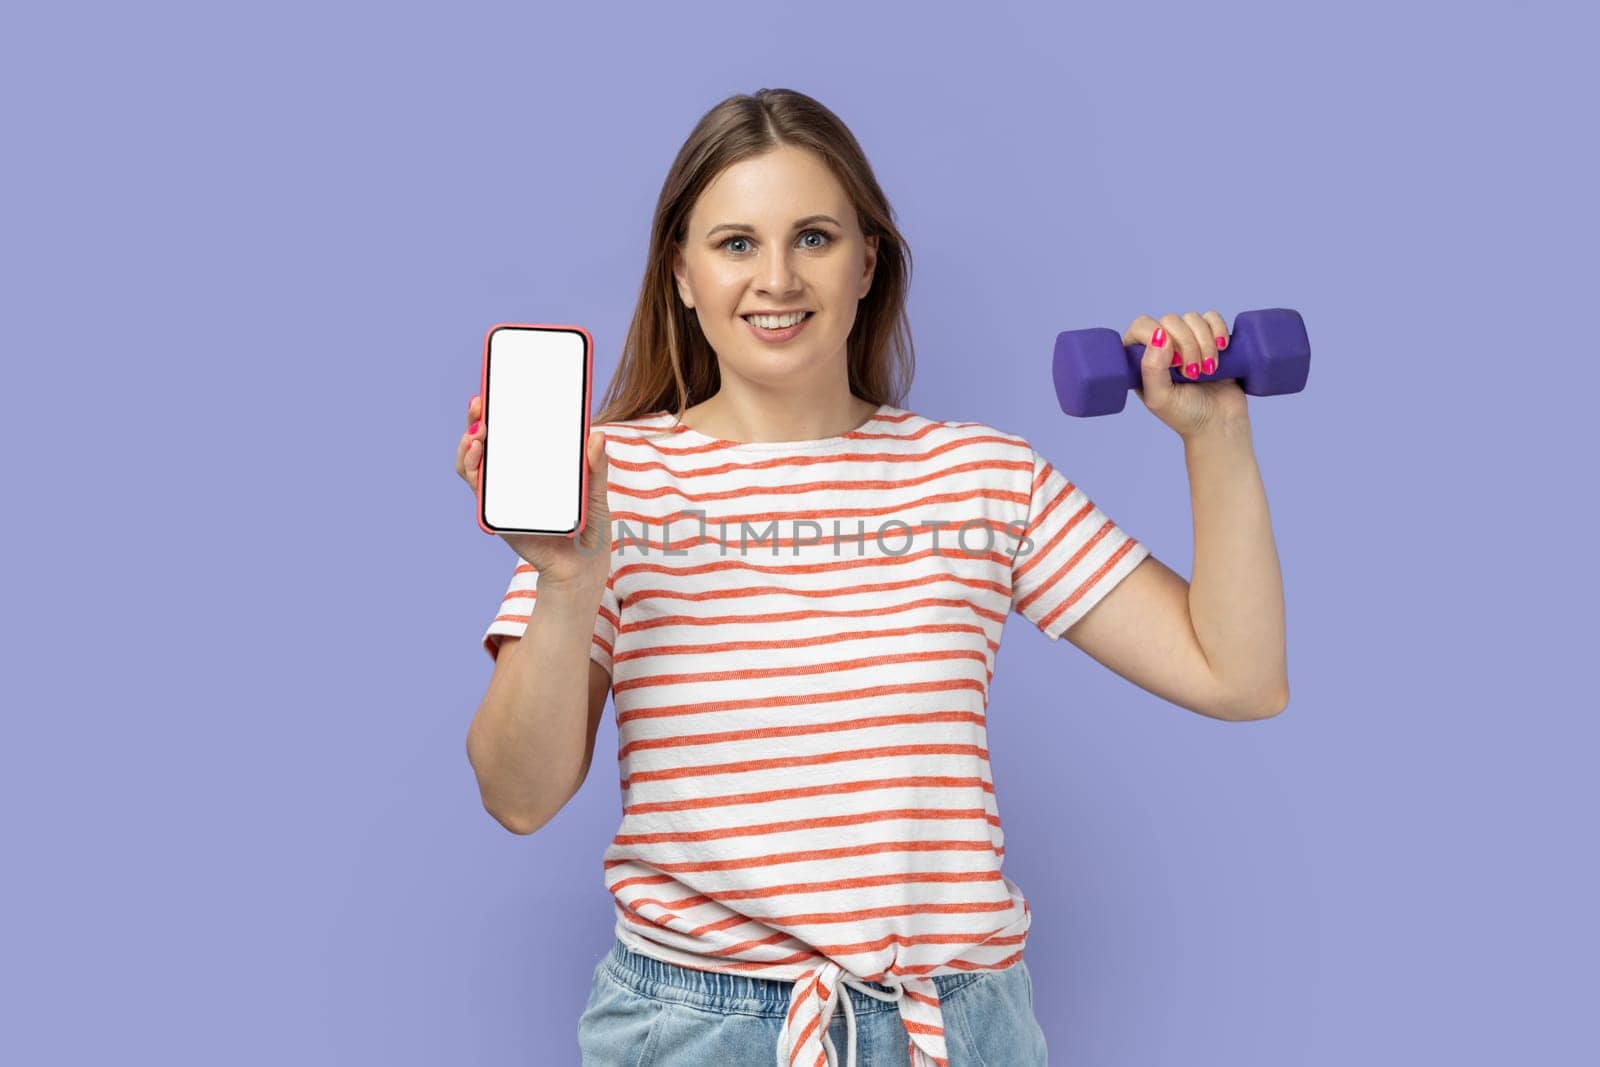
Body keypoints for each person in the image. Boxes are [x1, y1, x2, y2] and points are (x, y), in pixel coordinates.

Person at [457, 88, 1289, 1067]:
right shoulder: (612, 482)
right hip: (697, 1029)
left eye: (812, 236)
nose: (775, 277)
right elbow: (518, 796)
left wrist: (1216, 435)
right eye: (734, 243)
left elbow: (1237, 676)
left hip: (955, 1023)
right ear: (680, 272)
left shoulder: (982, 475)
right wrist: (567, 578)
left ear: (867, 262)